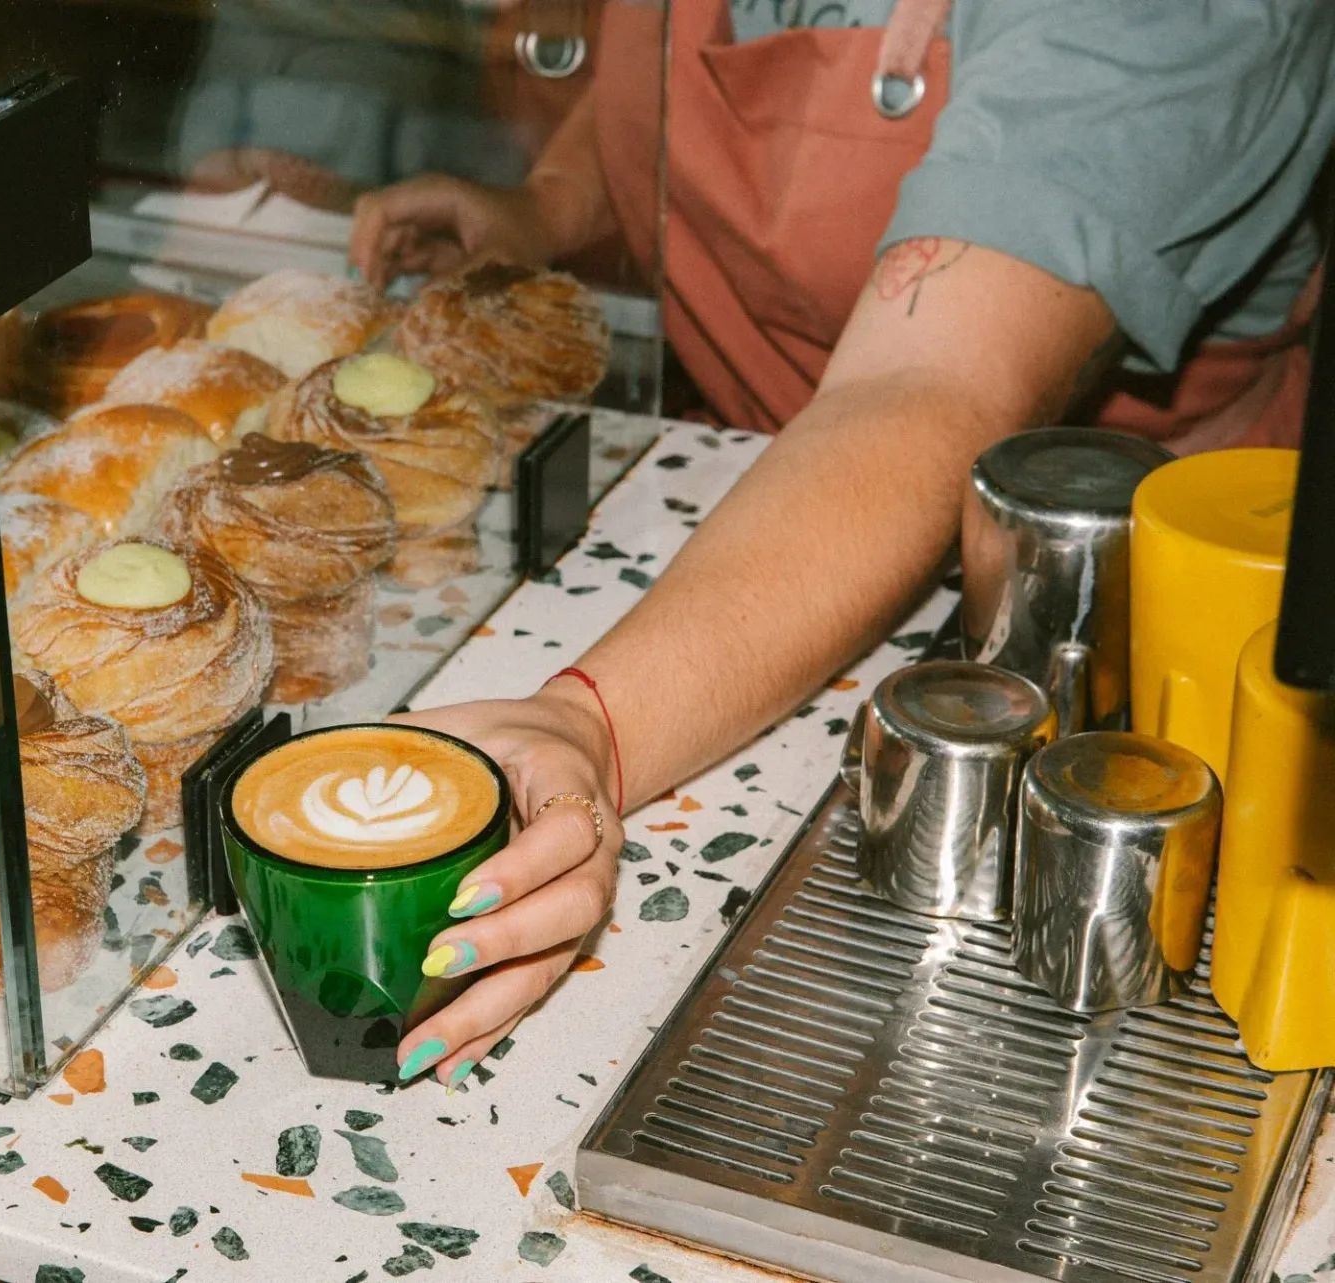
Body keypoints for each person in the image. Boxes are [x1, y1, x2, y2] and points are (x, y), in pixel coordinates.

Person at [348, 0, 1335, 1089]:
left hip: (1107, 639)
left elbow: (926, 386)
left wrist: (584, 720)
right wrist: (551, 206)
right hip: (753, 532)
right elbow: (669, 53)